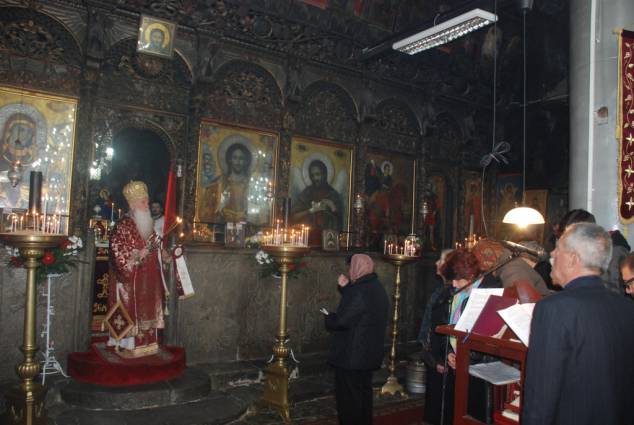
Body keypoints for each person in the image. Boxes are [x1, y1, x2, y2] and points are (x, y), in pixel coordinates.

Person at [522, 223, 634, 425]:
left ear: (573, 258)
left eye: (558, 249)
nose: (552, 254)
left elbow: (541, 396)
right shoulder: (627, 307)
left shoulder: (553, 309)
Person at [424, 250, 501, 425]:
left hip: (478, 370)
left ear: (471, 275)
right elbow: (444, 325)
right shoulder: (454, 292)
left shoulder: (491, 292)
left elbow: (491, 338)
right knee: (452, 414)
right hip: (455, 364)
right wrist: (448, 353)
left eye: (457, 279)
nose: (454, 284)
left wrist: (467, 358)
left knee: (472, 415)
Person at [324, 254, 389, 425]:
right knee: (363, 396)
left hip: (352, 357)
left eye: (351, 266)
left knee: (349, 401)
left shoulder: (359, 291)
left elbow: (341, 321)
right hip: (367, 355)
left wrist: (329, 317)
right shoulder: (376, 287)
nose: (349, 270)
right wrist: (347, 289)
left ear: (356, 268)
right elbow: (360, 310)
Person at [107, 181, 167, 357]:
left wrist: (163, 254)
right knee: (130, 307)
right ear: (132, 205)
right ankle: (127, 343)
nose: (147, 205)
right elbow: (116, 252)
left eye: (147, 201)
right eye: (143, 202)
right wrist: (134, 258)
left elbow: (155, 245)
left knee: (148, 306)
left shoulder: (148, 225)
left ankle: (148, 343)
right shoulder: (122, 226)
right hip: (130, 281)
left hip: (148, 279)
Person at [292, 159, 343, 243]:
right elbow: (294, 216)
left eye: (318, 174)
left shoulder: (333, 195)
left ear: (324, 174)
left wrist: (332, 207)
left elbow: (340, 222)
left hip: (328, 240)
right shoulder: (306, 193)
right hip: (307, 238)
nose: (315, 178)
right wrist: (311, 211)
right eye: (312, 175)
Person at [203, 143, 252, 223]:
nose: (238, 162)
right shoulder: (220, 182)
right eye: (235, 158)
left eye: (241, 158)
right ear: (230, 160)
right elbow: (208, 209)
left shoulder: (250, 184)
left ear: (246, 161)